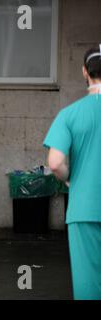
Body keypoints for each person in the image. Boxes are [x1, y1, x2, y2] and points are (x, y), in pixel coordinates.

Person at [43, 46, 101, 300]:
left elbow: (55, 162)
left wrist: (70, 178)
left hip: (85, 208)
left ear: (85, 72)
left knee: (89, 282)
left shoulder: (70, 114)